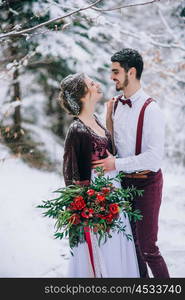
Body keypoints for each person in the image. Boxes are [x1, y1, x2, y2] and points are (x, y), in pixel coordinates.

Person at [92, 48, 170, 278]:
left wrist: (115, 164)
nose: (111, 77)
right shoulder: (114, 106)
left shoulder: (151, 109)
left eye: (116, 72)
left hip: (147, 182)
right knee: (132, 246)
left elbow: (154, 158)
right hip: (123, 183)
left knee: (148, 248)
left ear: (131, 72)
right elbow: (113, 147)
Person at [59, 72, 141, 278]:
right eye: (91, 83)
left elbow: (110, 150)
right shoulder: (77, 130)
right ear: (83, 94)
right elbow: (71, 174)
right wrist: (85, 208)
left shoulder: (96, 120)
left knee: (119, 244)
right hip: (97, 199)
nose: (97, 84)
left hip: (114, 192)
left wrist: (109, 117)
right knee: (105, 246)